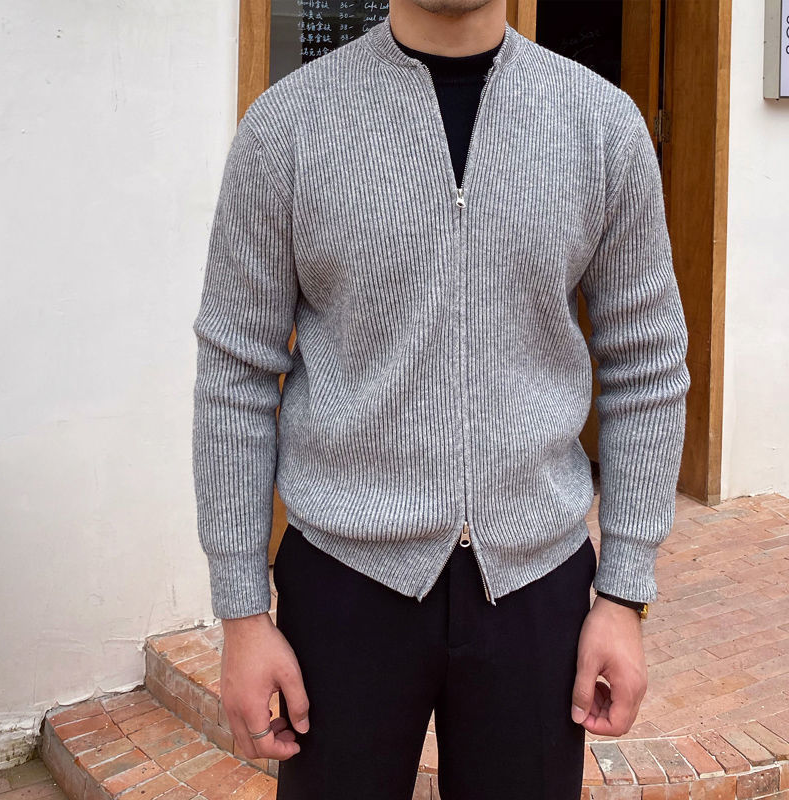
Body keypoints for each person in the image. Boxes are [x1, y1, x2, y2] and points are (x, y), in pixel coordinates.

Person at [190, 0, 691, 796]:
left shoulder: (601, 126)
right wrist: (243, 612)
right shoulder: (287, 128)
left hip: (537, 590)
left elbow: (647, 363)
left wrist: (625, 592)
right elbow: (235, 373)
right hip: (343, 586)